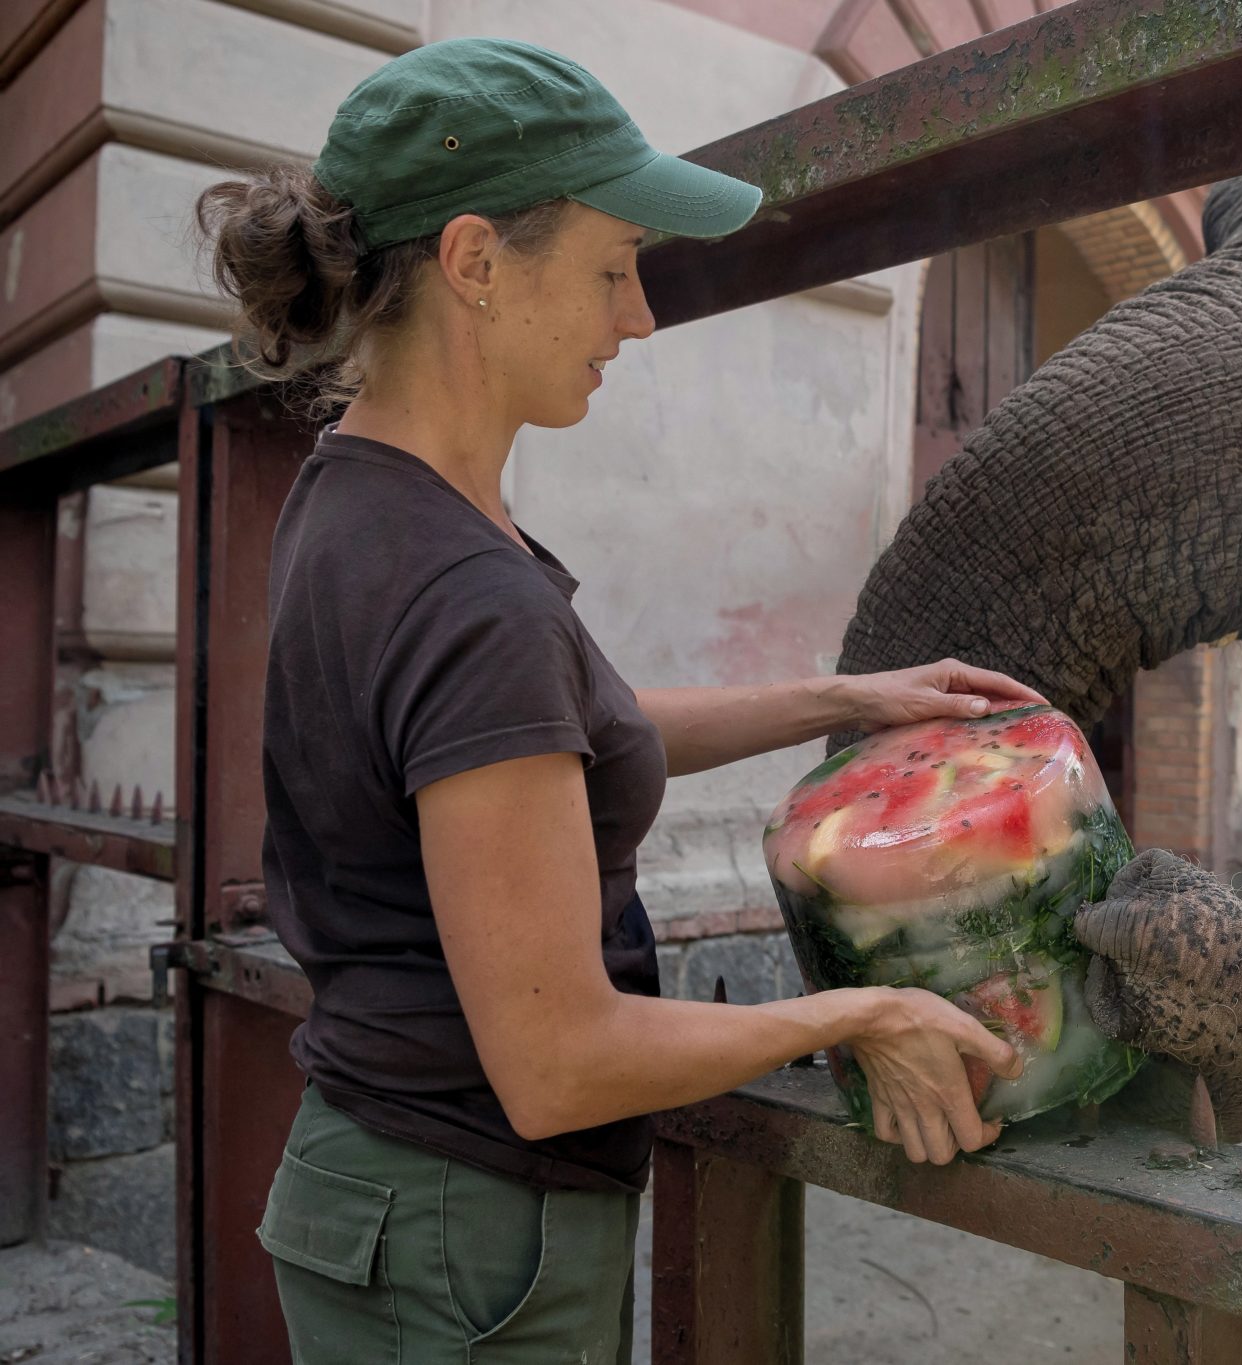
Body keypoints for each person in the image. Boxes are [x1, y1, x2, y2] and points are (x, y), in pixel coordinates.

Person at [196, 36, 1039, 1363]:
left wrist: (839, 694)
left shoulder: (359, 500)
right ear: (474, 263)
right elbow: (558, 1060)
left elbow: (518, 740)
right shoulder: (463, 588)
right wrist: (863, 1013)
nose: (637, 317)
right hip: (469, 1236)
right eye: (609, 269)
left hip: (384, 1182)